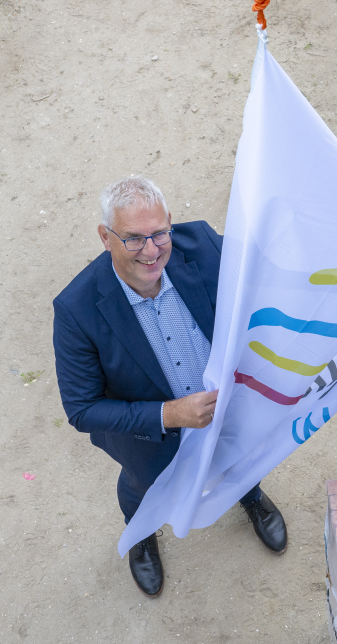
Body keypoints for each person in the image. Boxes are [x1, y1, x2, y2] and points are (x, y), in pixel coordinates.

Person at [52, 176, 288, 597]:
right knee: (142, 486)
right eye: (133, 238)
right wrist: (170, 414)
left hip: (227, 408)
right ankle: (141, 531)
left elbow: (265, 278)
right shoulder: (76, 310)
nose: (151, 251)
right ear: (105, 237)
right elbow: (82, 409)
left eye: (160, 233)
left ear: (171, 223)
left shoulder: (203, 244)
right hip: (150, 438)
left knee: (236, 456)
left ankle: (248, 493)